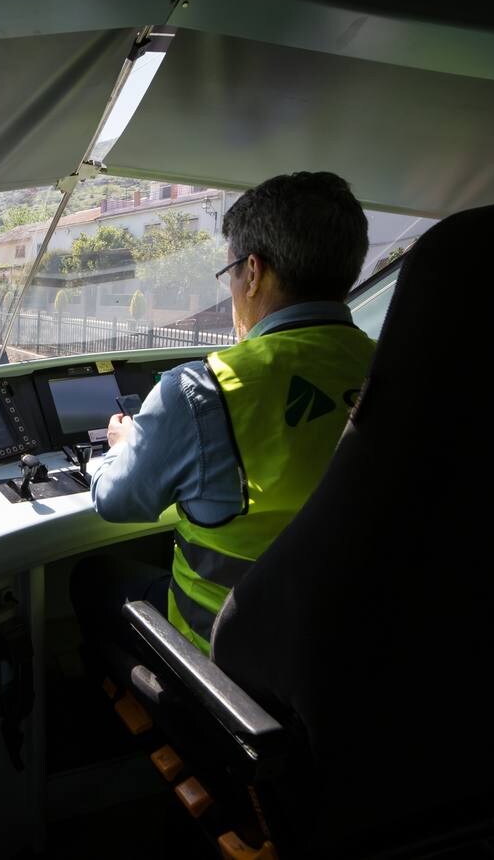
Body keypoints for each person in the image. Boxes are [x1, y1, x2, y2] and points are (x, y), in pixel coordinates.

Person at [72, 171, 377, 654]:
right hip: (351, 645)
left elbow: (116, 502)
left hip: (227, 657)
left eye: (230, 272)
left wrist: (119, 449)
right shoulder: (400, 371)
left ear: (252, 273)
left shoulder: (201, 389)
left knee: (92, 576)